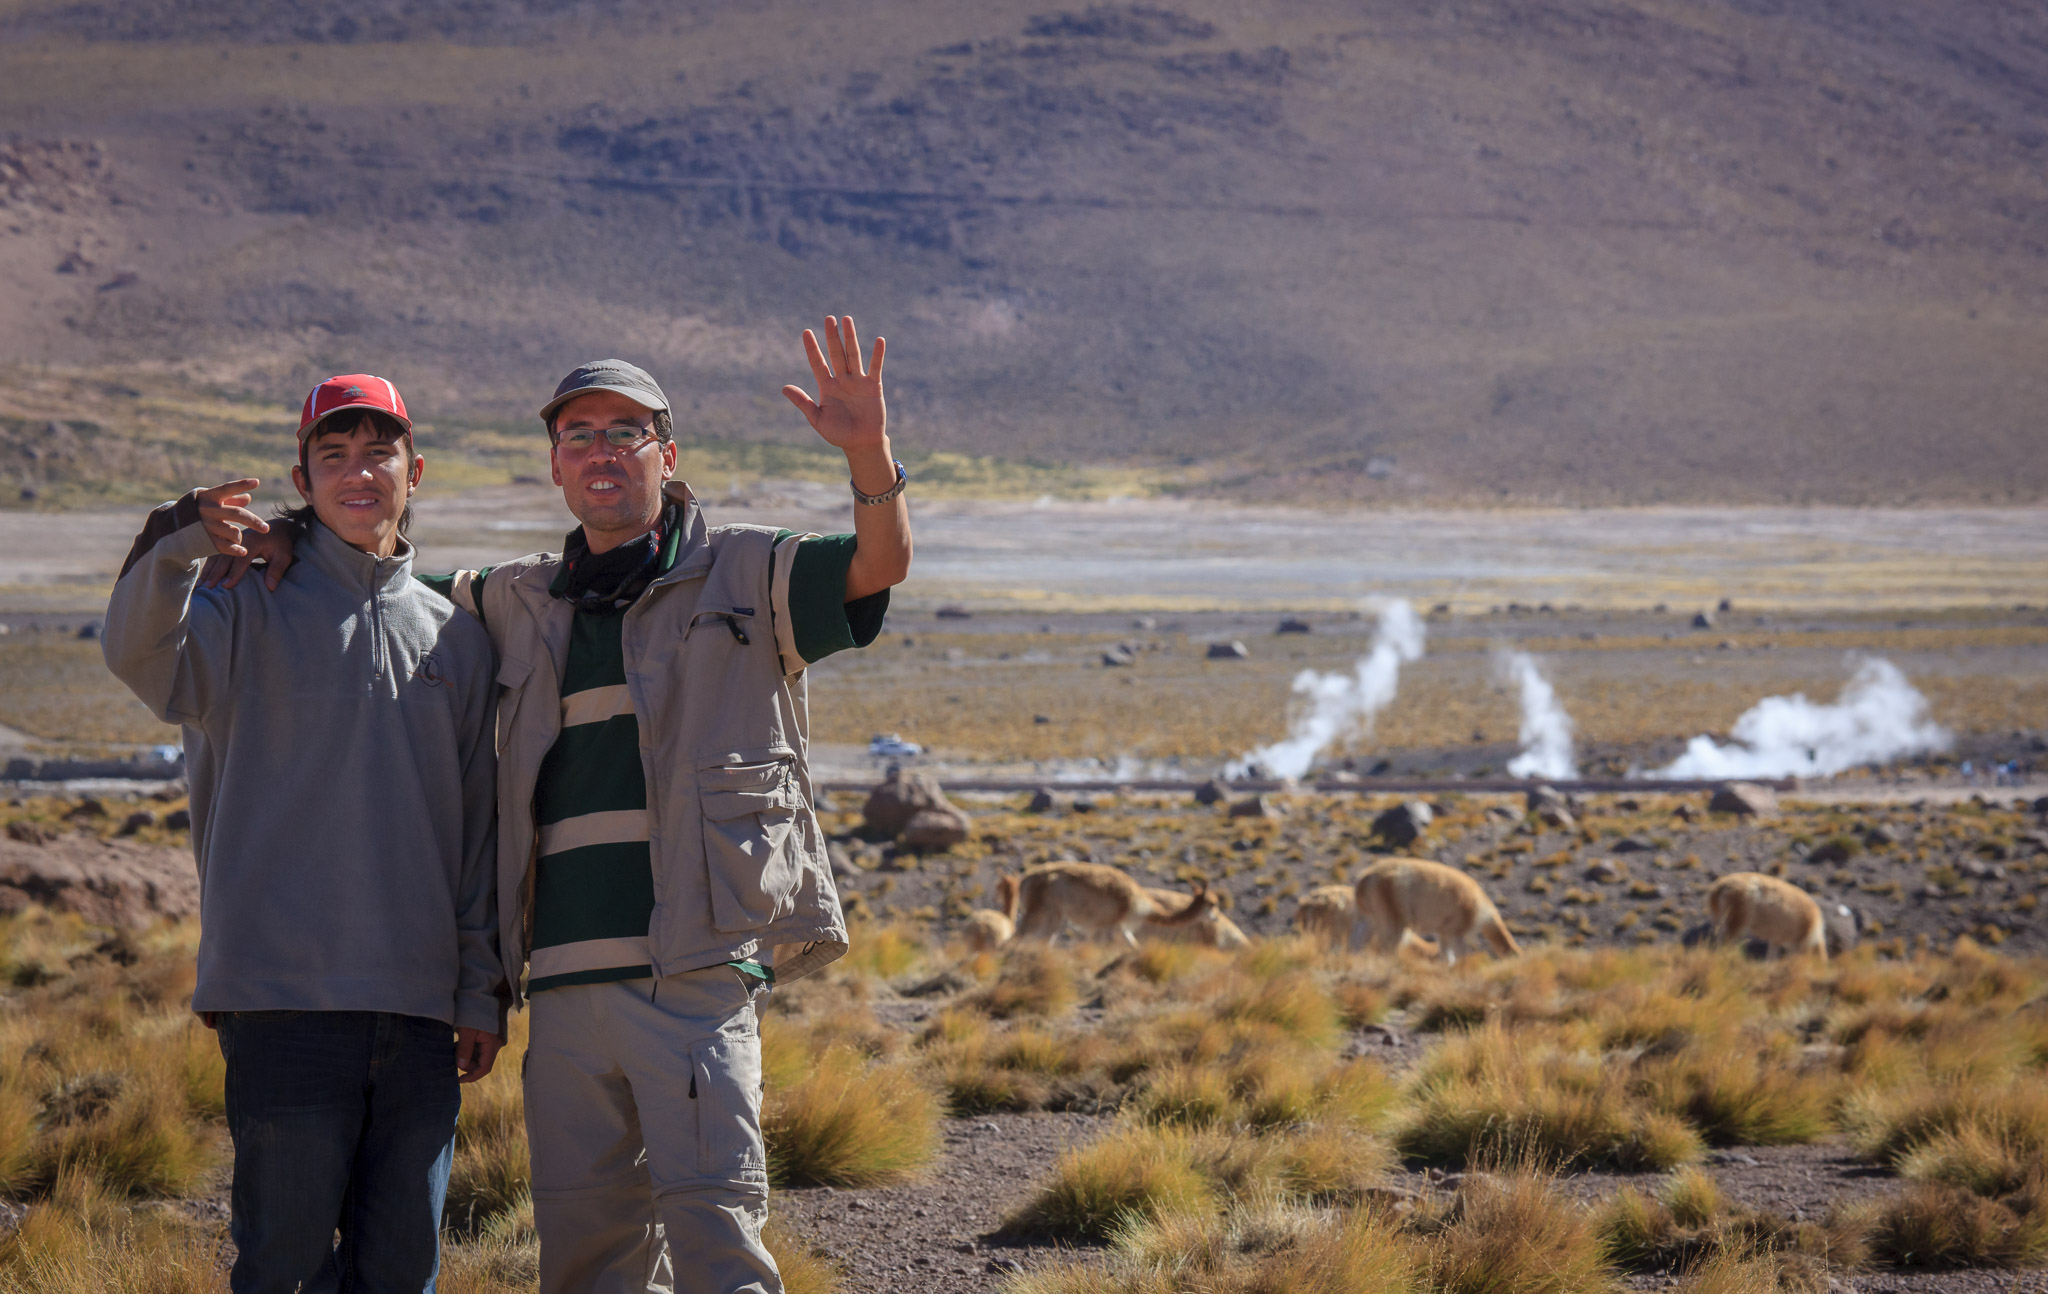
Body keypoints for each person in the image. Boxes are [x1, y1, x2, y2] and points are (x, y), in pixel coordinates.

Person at [223, 318, 911, 1294]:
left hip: (696, 971)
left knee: (718, 1239)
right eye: (578, 435)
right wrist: (298, 531)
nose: (601, 451)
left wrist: (868, 456)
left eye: (624, 431)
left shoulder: (748, 572)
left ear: (665, 456)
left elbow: (878, 566)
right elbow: (377, 582)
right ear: (554, 465)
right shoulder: (515, 600)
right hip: (563, 989)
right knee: (586, 1259)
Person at [105, 374, 506, 1293]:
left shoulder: (459, 639)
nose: (357, 472)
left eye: (378, 452)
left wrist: (480, 988)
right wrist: (177, 537)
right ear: (303, 474)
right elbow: (137, 657)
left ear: (417, 472)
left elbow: (478, 831)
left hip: (419, 1014)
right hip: (280, 1004)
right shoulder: (241, 603)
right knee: (283, 1269)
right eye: (334, 456)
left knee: (401, 1271)